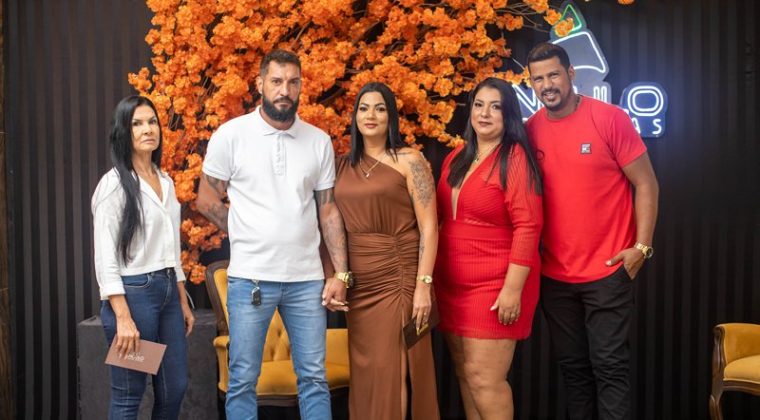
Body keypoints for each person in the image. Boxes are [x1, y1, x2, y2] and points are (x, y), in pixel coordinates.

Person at [195, 49, 349, 420]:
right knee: (242, 379)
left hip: (306, 280)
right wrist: (248, 230)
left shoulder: (318, 141)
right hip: (250, 279)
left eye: (293, 82)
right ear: (260, 83)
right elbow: (206, 199)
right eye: (276, 81)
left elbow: (328, 209)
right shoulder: (231, 135)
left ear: (301, 86)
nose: (285, 90)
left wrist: (340, 273)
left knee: (313, 378)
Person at [525, 42, 659, 420]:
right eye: (538, 79)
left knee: (610, 368)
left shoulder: (610, 118)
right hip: (555, 276)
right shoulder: (530, 131)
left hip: (608, 270)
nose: (547, 85)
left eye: (554, 75)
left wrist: (642, 247)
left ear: (571, 74)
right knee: (574, 373)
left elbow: (646, 183)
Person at [435, 77, 544, 419]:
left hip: (495, 284)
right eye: (479, 105)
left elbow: (528, 226)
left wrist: (512, 290)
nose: (484, 113)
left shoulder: (514, 159)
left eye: (495, 107)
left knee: (485, 379)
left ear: (508, 115)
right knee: (466, 375)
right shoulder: (456, 157)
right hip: (451, 284)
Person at [332, 82, 440, 419]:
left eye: (380, 108)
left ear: (391, 116)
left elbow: (429, 227)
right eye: (364, 108)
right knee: (367, 371)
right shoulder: (341, 165)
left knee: (394, 368)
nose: (371, 115)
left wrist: (423, 285)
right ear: (355, 116)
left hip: (399, 277)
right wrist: (337, 276)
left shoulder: (410, 160)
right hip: (359, 284)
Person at [92, 95, 194, 420]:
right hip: (135, 297)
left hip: (167, 294)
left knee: (174, 388)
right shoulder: (113, 185)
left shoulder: (165, 181)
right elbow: (105, 258)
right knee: (129, 394)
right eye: (137, 123)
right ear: (124, 132)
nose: (148, 129)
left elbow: (171, 248)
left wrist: (181, 299)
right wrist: (123, 318)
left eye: (152, 122)